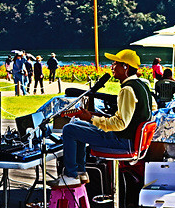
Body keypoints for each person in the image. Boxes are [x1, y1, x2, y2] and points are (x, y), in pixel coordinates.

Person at [57, 49, 156, 186]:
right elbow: (149, 110)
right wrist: (93, 116)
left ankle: (71, 175)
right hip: (131, 140)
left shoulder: (127, 89)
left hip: (122, 141)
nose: (112, 67)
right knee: (77, 125)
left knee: (69, 129)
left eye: (115, 64)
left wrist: (91, 119)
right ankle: (80, 172)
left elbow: (121, 124)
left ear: (125, 67)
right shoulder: (142, 85)